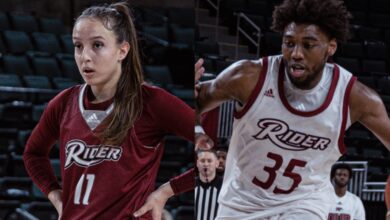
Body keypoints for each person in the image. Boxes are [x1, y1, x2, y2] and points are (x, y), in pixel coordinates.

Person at [195, 0, 390, 219]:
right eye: (289, 43)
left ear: (331, 47)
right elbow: (195, 102)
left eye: (308, 45)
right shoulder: (249, 77)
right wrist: (197, 131)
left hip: (305, 202)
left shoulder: (355, 97)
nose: (296, 53)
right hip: (241, 203)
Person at [23, 3, 194, 219]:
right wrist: (55, 195)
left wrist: (167, 191)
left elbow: (211, 144)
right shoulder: (63, 103)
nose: (84, 56)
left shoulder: (151, 102)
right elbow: (33, 153)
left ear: (122, 50)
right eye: (78, 46)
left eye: (97, 45)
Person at [195, 150, 223, 220]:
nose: (206, 164)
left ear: (217, 163)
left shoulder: (224, 186)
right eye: (202, 161)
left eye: (209, 161)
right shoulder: (190, 185)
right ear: (197, 163)